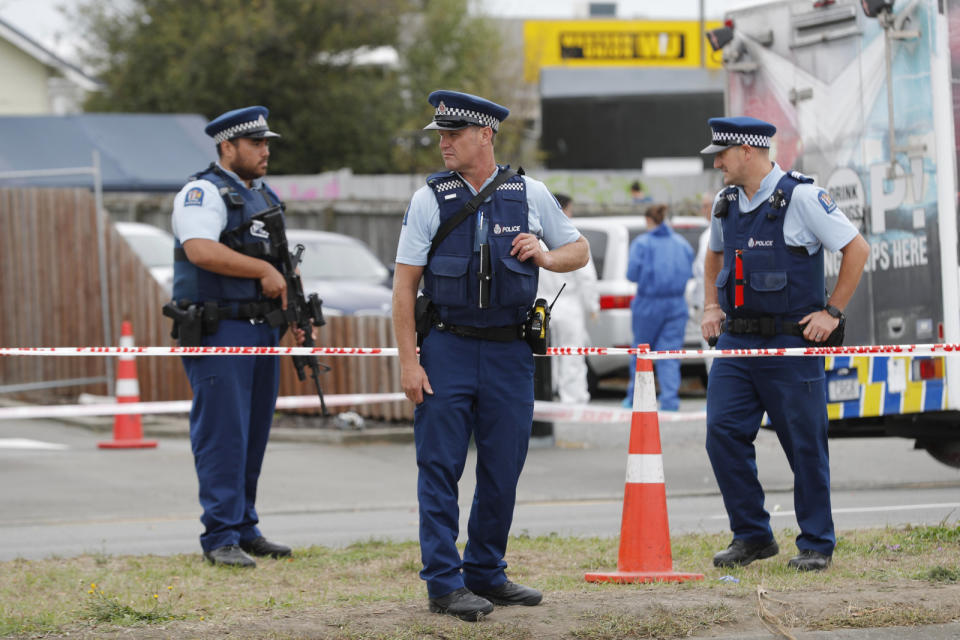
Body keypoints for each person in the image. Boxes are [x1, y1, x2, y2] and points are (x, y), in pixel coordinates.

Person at [392, 90, 590, 621]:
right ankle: (442, 582)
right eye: (440, 135)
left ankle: (485, 571)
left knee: (503, 467)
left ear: (486, 135)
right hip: (447, 348)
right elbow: (404, 285)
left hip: (509, 353)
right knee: (440, 467)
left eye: (454, 134)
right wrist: (410, 361)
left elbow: (580, 249)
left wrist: (545, 253)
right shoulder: (428, 198)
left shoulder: (528, 192)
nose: (444, 143)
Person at [699, 116, 869, 572]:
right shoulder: (725, 201)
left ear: (748, 152)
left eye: (722, 154)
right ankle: (752, 536)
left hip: (790, 344)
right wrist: (711, 306)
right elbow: (714, 253)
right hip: (737, 342)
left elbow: (857, 249)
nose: (717, 162)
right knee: (722, 435)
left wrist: (831, 312)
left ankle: (816, 543)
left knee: (804, 445)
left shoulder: (803, 197)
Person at [169, 106, 300, 568]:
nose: (266, 151)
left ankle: (244, 526)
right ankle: (219, 533)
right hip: (219, 328)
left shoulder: (263, 194)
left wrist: (294, 311)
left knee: (253, 433)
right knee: (223, 432)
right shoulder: (203, 192)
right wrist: (263, 270)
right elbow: (200, 249)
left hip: (261, 328)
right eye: (257, 143)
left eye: (267, 143)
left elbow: (282, 260)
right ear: (228, 147)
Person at [623, 203, 694, 411]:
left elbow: (632, 274)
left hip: (648, 303)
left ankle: (635, 398)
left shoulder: (642, 244)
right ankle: (670, 400)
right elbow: (690, 272)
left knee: (641, 351)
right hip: (677, 304)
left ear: (648, 220)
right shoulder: (682, 244)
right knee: (669, 354)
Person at [535, 194, 599, 405]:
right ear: (565, 210)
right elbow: (586, 278)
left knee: (545, 354)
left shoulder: (536, 236)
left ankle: (547, 394)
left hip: (542, 305)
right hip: (569, 303)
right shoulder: (571, 237)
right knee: (572, 352)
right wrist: (592, 307)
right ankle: (573, 398)